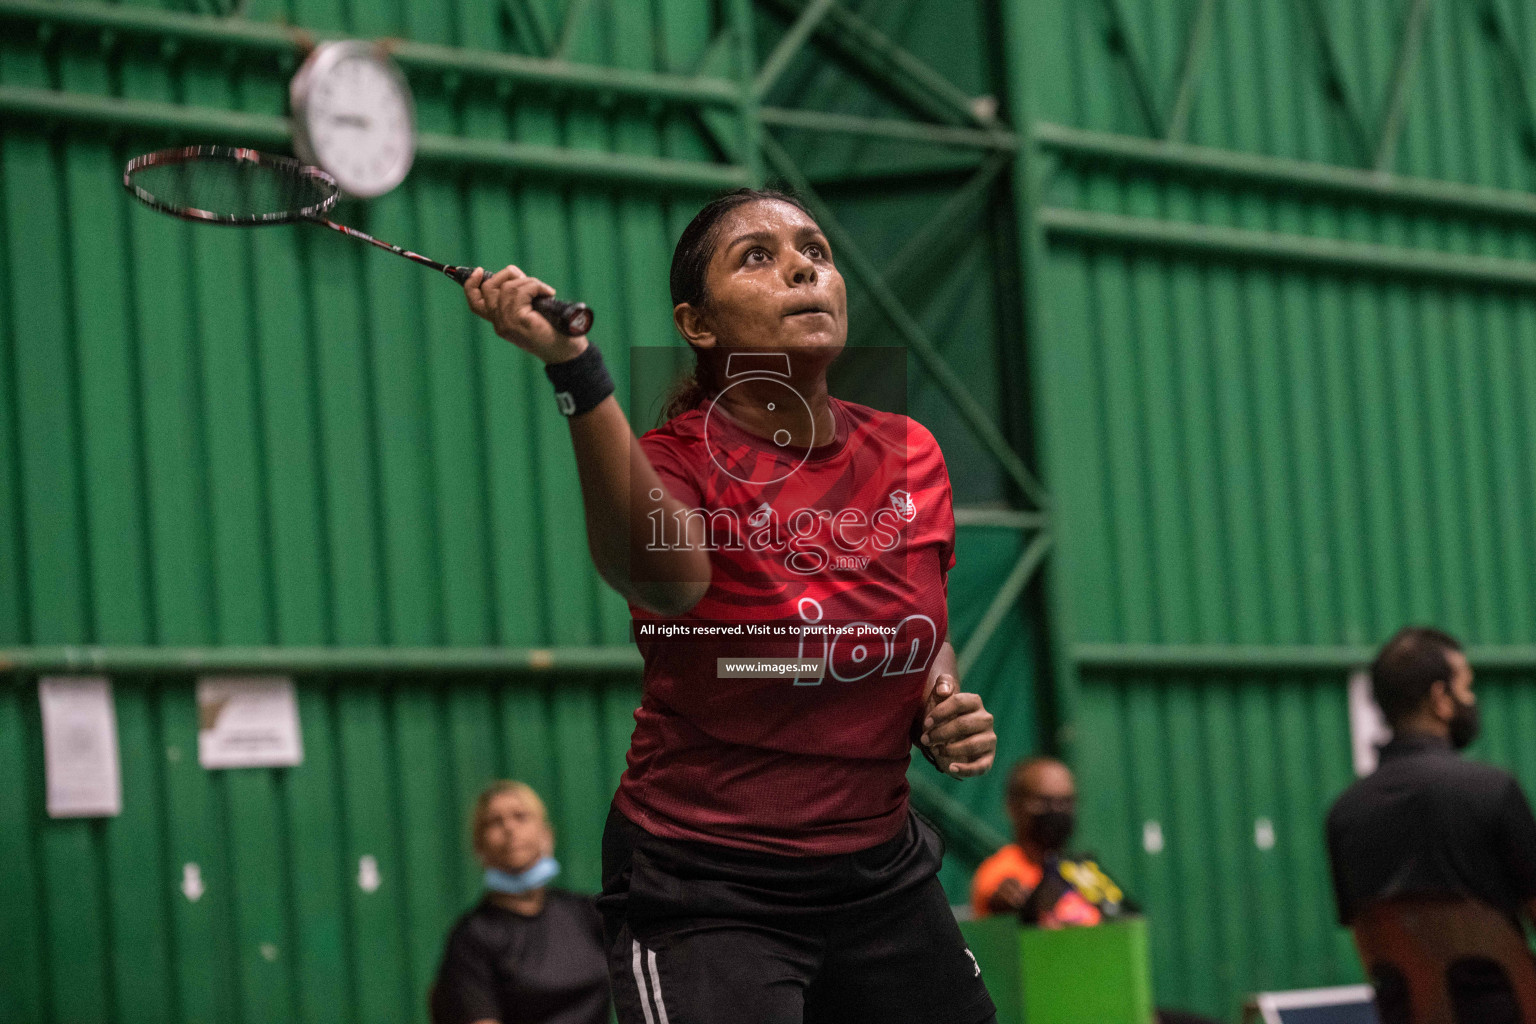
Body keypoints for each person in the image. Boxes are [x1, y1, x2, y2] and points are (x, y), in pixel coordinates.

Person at [463, 187, 999, 1024]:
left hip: (880, 874)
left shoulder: (909, 452)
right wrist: (576, 367)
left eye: (815, 251)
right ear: (698, 325)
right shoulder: (674, 465)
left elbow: (917, 631)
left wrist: (938, 701)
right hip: (708, 886)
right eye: (758, 255)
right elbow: (662, 580)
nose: (803, 268)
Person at [1327, 627, 1536, 1023]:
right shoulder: (1494, 790)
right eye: (1466, 687)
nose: (1471, 700)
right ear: (1441, 699)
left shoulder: (1344, 815)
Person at [430, 781, 610, 1024]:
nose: (509, 828)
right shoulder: (472, 938)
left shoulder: (586, 913)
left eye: (521, 816)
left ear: (547, 834)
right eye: (495, 821)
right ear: (478, 846)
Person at [970, 757, 1126, 926]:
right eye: (1044, 802)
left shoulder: (1082, 870)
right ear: (1013, 806)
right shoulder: (1000, 872)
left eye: (1066, 802)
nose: (1056, 810)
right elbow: (994, 904)